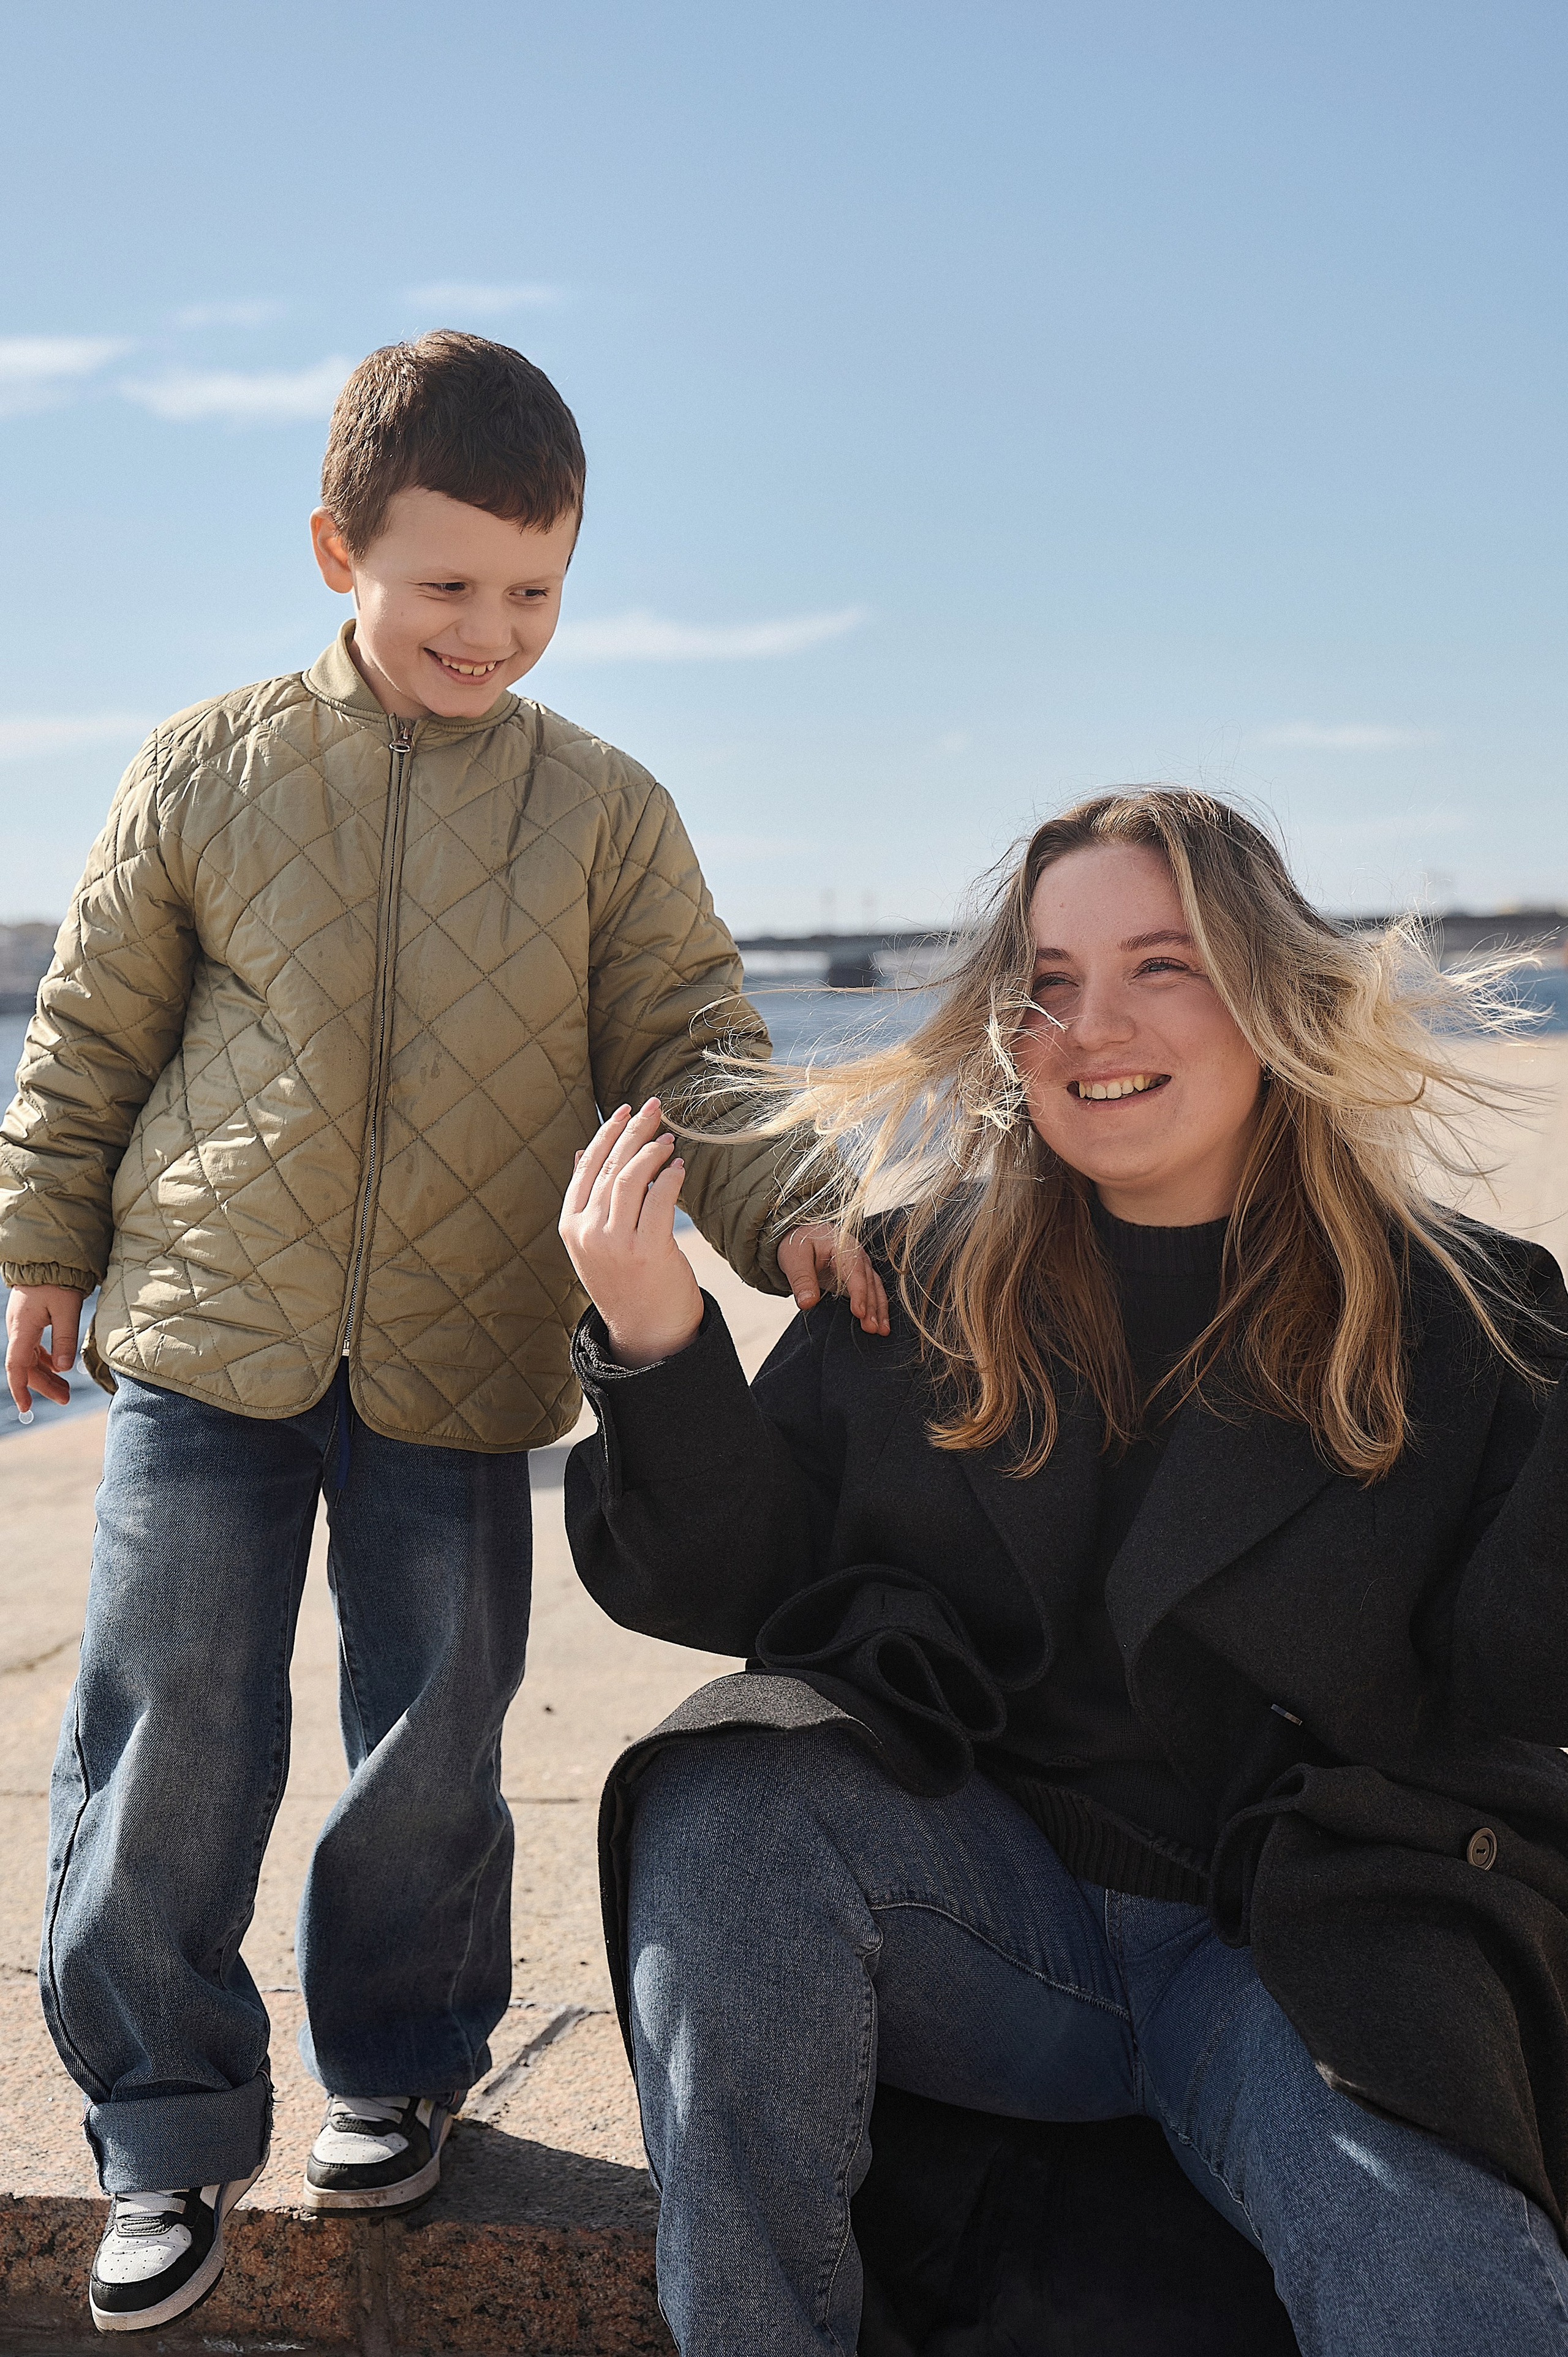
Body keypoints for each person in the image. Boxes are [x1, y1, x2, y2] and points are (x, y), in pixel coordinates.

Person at [0, 330, 883, 2337]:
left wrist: (793, 1205)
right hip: (207, 1332)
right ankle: (162, 2119)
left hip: (468, 1347)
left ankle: (397, 2063)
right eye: (448, 584)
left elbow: (697, 1044)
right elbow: (94, 1032)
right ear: (339, 550)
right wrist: (43, 1243)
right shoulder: (207, 766)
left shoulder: (606, 811)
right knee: (166, 1721)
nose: (491, 630)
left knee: (435, 1731)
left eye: (534, 589)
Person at [559, 787, 1568, 2357]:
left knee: (1440, 2274)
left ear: (1273, 994)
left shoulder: (1460, 1309)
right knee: (727, 1792)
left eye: (1161, 965)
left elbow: (1525, 1673)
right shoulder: (918, 1277)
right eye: (1045, 982)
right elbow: (730, 1582)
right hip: (985, 1930)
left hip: (1300, 1951)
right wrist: (654, 1333)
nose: (1089, 1026)